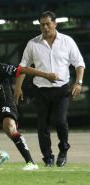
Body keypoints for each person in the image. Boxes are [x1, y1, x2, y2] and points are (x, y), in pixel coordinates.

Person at [0, 46, 61, 171]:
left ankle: (30, 162)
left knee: (8, 126)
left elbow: (23, 70)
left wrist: (46, 75)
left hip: (6, 106)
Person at [14, 11, 85, 167]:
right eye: (42, 25)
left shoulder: (67, 41)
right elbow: (22, 67)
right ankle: (48, 158)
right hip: (41, 90)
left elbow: (79, 63)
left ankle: (63, 151)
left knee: (60, 121)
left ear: (55, 24)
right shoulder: (33, 44)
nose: (45, 27)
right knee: (42, 126)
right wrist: (18, 87)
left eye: (47, 24)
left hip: (62, 90)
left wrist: (78, 82)